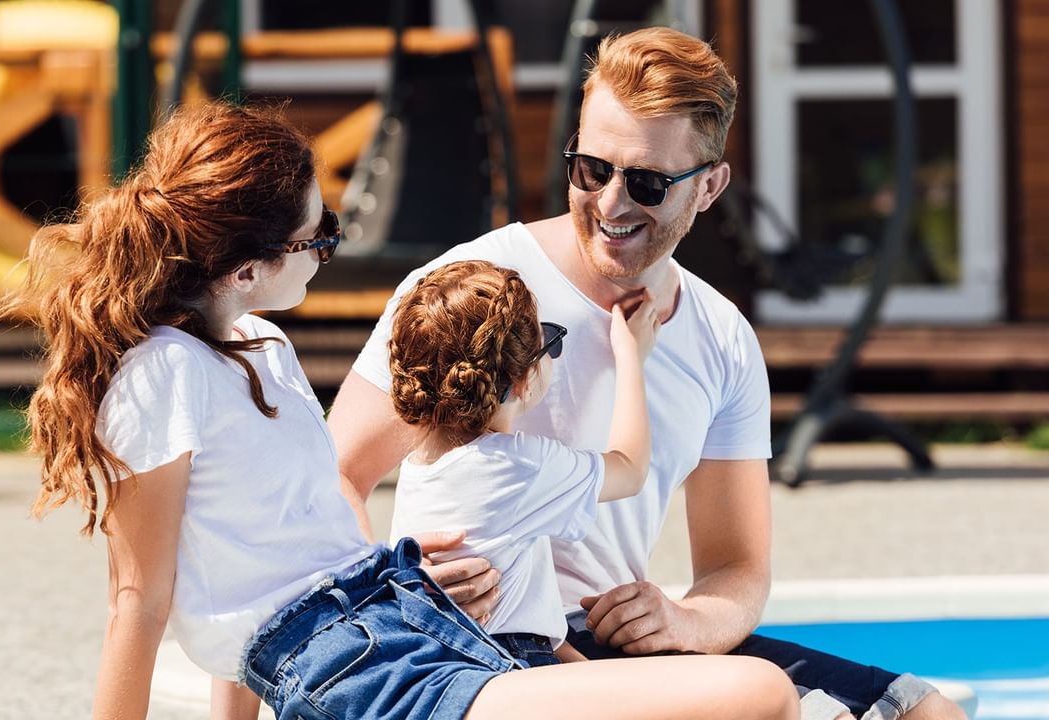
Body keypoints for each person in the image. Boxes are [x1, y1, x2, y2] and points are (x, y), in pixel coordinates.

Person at [0, 102, 799, 720]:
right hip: (352, 668)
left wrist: (408, 574)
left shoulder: (263, 346)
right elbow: (142, 600)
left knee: (745, 698)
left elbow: (277, 553)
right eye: (319, 237)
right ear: (247, 270)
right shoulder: (163, 377)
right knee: (756, 694)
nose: (329, 249)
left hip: (394, 622)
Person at [327, 27, 965, 720]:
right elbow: (332, 478)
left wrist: (684, 620)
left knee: (927, 712)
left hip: (612, 650)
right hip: (478, 653)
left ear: (710, 187)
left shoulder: (722, 338)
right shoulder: (466, 293)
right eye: (591, 169)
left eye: (647, 183)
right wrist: (400, 592)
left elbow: (736, 569)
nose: (610, 204)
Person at [387, 259, 659, 668]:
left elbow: (526, 618)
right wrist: (631, 357)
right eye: (548, 343)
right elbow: (631, 469)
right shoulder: (519, 465)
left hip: (457, 663)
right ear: (523, 379)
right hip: (509, 666)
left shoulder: (418, 468)